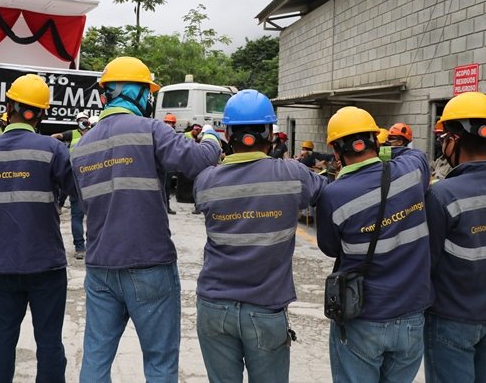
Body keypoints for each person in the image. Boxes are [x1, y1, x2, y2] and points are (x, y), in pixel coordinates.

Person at [70, 56, 221, 382]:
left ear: (105, 94)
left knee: (95, 359)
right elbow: (199, 161)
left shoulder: (81, 147)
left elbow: (84, 203)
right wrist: (211, 135)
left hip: (100, 268)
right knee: (160, 362)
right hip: (149, 264)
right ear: (140, 94)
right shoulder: (151, 130)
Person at [193, 90, 326, 383]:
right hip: (265, 309)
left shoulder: (205, 181)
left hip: (214, 308)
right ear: (271, 134)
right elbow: (326, 191)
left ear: (227, 134)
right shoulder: (293, 175)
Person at [0, 74, 76, 382]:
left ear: (8, 107)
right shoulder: (53, 149)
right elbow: (79, 192)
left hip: (3, 263)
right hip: (46, 264)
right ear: (41, 113)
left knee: (3, 338)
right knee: (49, 341)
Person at [316, 106, 431, 383]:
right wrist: (387, 149)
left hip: (362, 315)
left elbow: (331, 248)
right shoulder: (412, 170)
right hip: (411, 314)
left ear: (336, 152)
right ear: (376, 142)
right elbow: (415, 153)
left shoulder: (333, 195)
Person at [424, 92, 486, 383]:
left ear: (454, 140)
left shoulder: (442, 194)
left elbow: (429, 261)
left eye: (444, 138)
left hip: (452, 318)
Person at [51, 111, 93, 258]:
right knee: (79, 215)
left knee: (88, 216)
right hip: (80, 177)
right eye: (81, 120)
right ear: (77, 122)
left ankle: (86, 247)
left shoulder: (91, 133)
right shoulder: (74, 134)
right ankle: (81, 247)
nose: (84, 123)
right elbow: (55, 136)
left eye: (85, 120)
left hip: (86, 178)